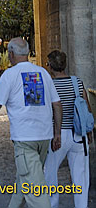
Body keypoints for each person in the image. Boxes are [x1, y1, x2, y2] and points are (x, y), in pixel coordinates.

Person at [0, 37, 62, 208]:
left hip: (25, 138)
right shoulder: (43, 73)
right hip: (43, 137)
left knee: (35, 191)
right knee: (25, 180)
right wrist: (57, 133)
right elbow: (56, 104)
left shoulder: (10, 75)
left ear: (10, 54)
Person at [44, 50, 93, 208]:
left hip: (58, 134)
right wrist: (89, 130)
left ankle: (52, 204)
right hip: (78, 134)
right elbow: (86, 106)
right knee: (80, 175)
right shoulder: (77, 82)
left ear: (50, 66)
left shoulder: (50, 85)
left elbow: (47, 111)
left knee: (50, 172)